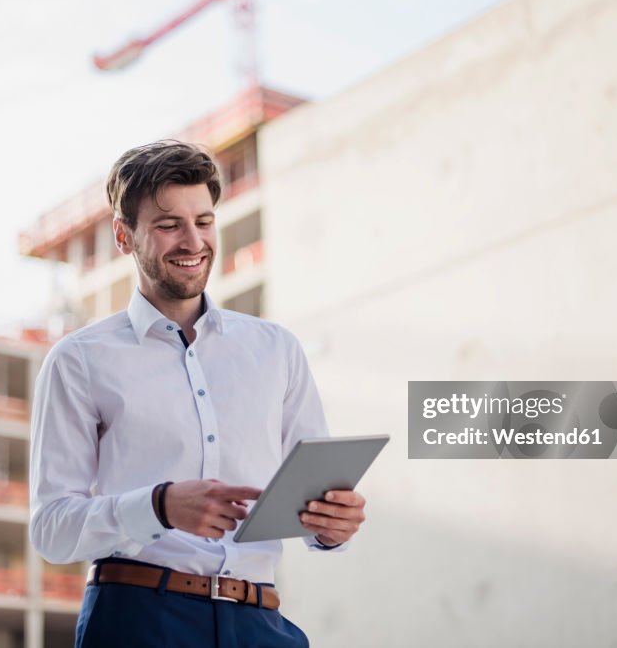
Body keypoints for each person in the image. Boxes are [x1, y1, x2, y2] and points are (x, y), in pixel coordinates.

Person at [29, 140, 368, 648]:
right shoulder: (80, 359)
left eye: (204, 222)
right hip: (138, 619)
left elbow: (312, 495)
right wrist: (159, 506)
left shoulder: (276, 349)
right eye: (169, 225)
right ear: (124, 236)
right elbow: (52, 530)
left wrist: (332, 525)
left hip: (261, 621)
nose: (193, 241)